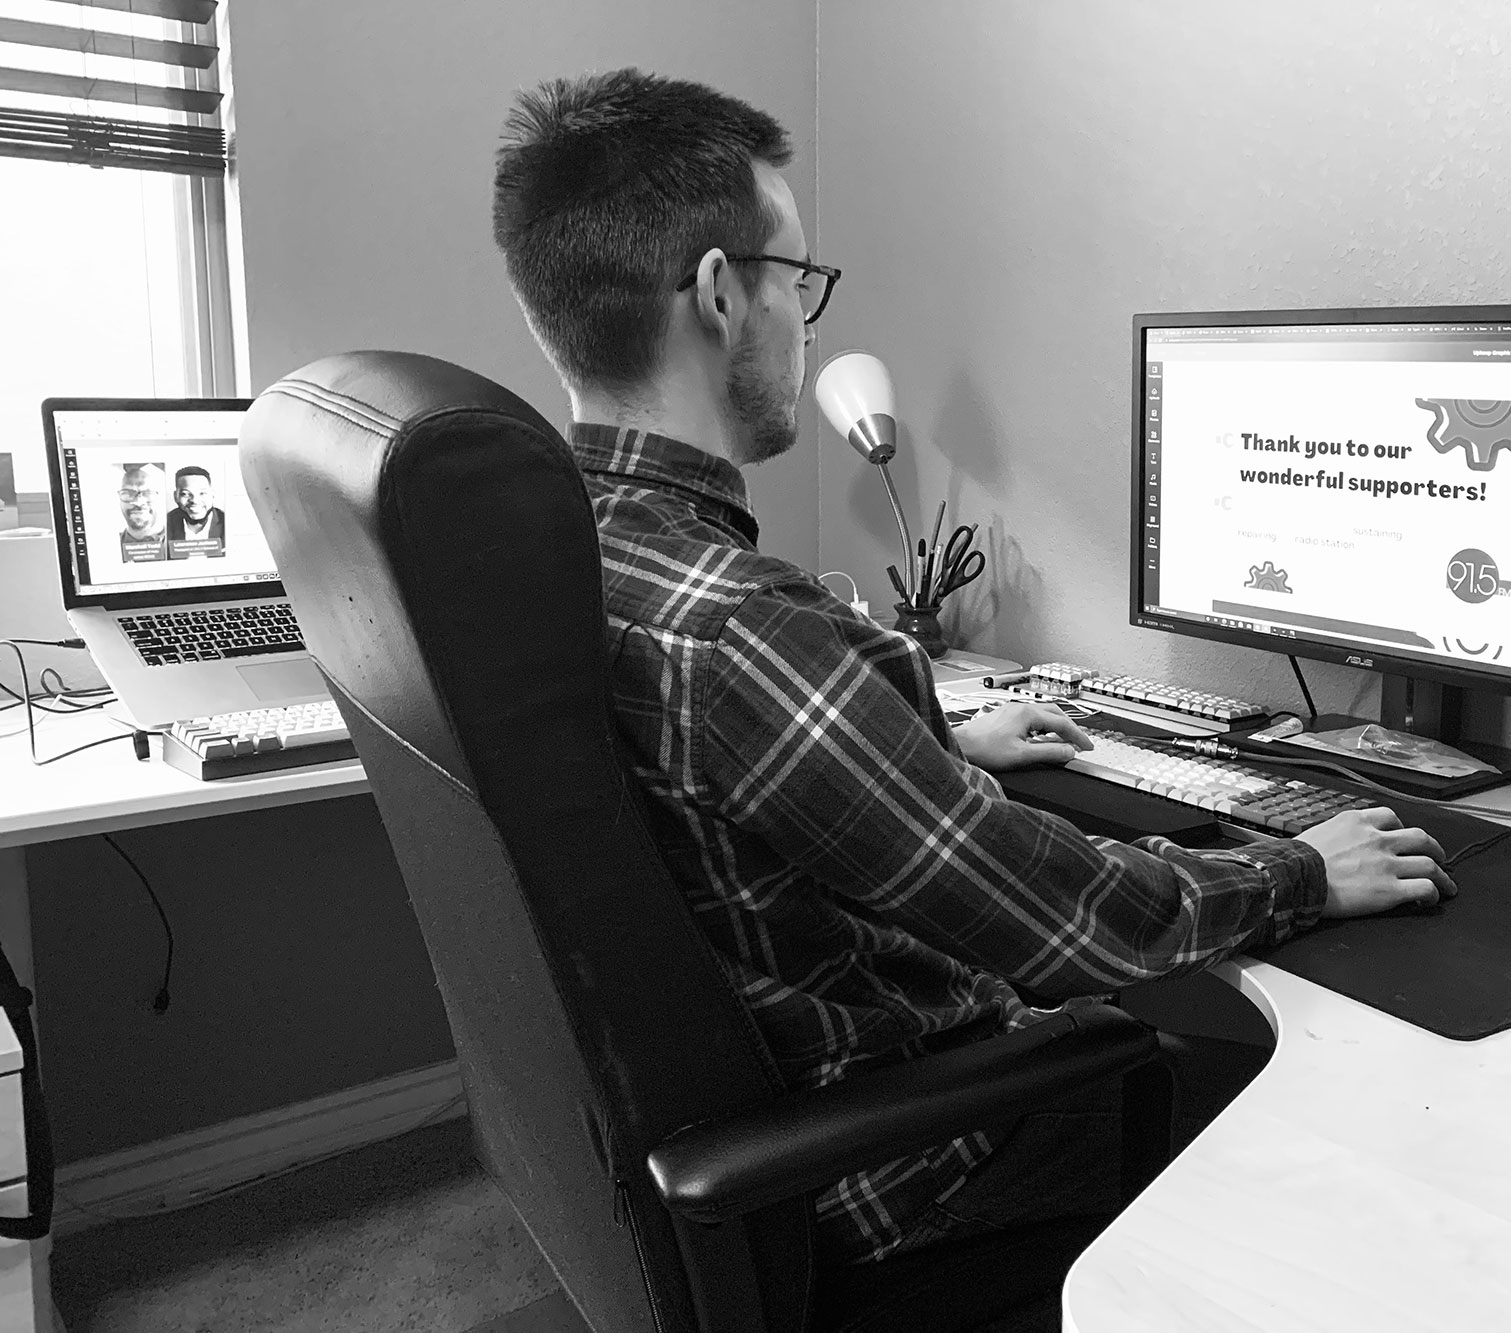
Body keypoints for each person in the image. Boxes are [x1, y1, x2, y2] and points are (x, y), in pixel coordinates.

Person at [491, 68, 1454, 1279]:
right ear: (723, 295)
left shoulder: (552, 547)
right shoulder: (743, 631)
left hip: (729, 1117)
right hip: (901, 1167)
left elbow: (712, 787)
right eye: (800, 280)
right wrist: (1301, 867)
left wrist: (924, 743)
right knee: (1332, 1150)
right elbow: (1061, 920)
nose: (810, 319)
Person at [167, 466, 226, 557]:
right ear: (176, 496)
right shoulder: (164, 525)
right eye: (185, 494)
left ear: (212, 494)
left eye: (202, 493)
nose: (195, 500)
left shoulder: (227, 523)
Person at [115, 462, 170, 562]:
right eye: (127, 493)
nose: (138, 502)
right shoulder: (109, 548)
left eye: (148, 493)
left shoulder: (179, 543)